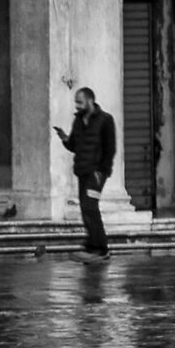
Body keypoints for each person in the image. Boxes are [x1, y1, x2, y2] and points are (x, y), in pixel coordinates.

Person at [55, 87, 117, 258]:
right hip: (83, 171)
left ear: (90, 101)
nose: (77, 106)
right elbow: (75, 145)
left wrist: (103, 170)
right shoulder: (78, 121)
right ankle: (92, 244)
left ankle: (100, 248)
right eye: (76, 102)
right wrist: (65, 139)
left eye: (80, 102)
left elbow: (110, 148)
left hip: (97, 173)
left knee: (90, 206)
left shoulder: (105, 120)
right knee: (86, 208)